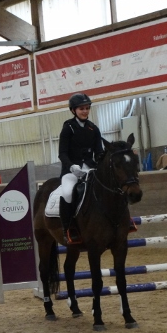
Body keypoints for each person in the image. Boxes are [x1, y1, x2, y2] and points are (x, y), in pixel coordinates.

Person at [58, 93, 104, 244]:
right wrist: (71, 166)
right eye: (81, 109)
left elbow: (99, 152)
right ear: (73, 110)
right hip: (71, 170)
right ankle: (67, 229)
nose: (85, 111)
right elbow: (62, 153)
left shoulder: (94, 129)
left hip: (90, 169)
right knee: (67, 193)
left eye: (87, 108)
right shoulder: (68, 128)